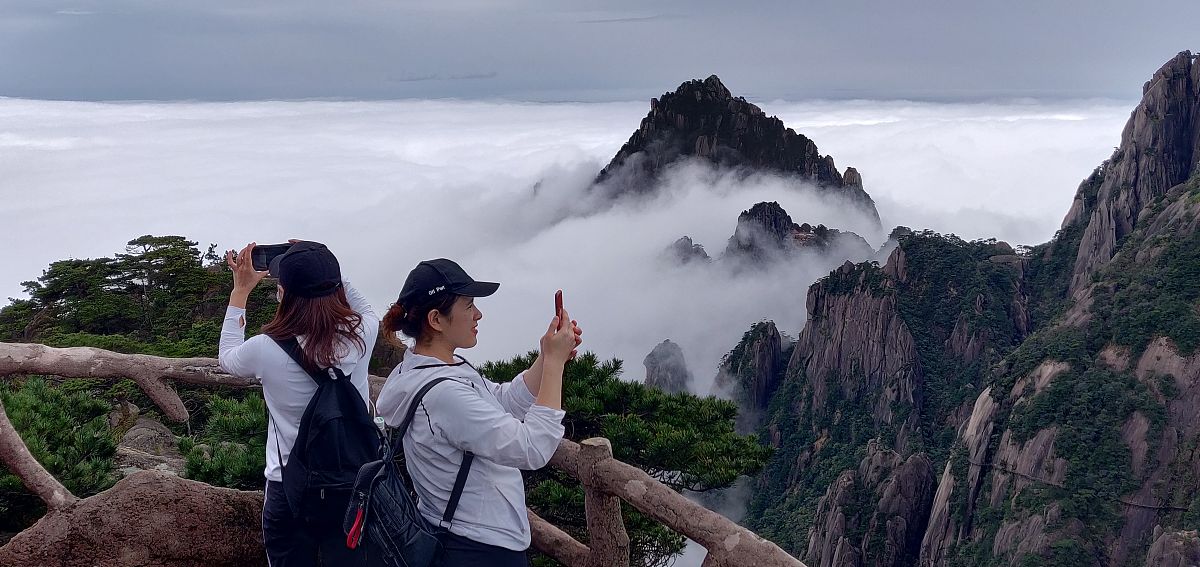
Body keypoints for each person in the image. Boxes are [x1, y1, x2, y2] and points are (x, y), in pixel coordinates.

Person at [376, 258, 580, 567]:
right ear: (436, 319)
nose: (478, 314)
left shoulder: (426, 367)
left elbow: (501, 401)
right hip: (477, 548)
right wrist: (553, 365)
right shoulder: (444, 393)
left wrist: (547, 357)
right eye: (469, 306)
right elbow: (533, 447)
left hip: (458, 535)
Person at [219, 241, 379, 566]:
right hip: (354, 486)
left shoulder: (264, 349)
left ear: (283, 294)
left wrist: (240, 291)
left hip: (288, 490)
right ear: (336, 287)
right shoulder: (362, 334)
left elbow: (227, 357)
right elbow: (366, 307)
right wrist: (321, 262)